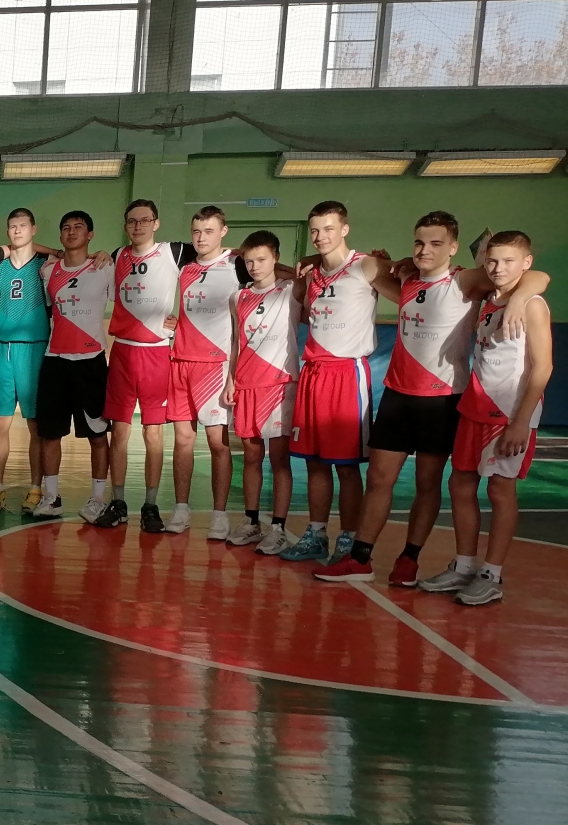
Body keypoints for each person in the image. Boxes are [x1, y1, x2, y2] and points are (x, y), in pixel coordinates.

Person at [331, 213, 549, 587]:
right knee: (379, 478)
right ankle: (360, 557)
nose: (425, 250)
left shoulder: (465, 281)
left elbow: (535, 276)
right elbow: (362, 265)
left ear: (453, 247)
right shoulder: (405, 279)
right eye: (419, 242)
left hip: (442, 399)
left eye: (436, 243)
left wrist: (520, 298)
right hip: (398, 396)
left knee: (428, 483)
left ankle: (409, 560)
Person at [429, 231, 551, 606]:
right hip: (475, 406)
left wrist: (521, 422)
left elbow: (543, 367)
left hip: (509, 413)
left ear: (526, 263)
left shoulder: (532, 305)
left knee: (500, 490)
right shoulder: (489, 300)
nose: (498, 268)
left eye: (508, 261)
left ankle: (491, 574)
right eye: (492, 261)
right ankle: (464, 565)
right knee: (460, 485)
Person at [279, 201, 387, 567]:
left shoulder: (366, 265)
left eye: (328, 228)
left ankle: (349, 538)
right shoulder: (311, 274)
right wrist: (306, 261)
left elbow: (408, 287)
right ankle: (316, 534)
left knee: (347, 466)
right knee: (314, 463)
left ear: (345, 229)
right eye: (315, 230)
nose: (320, 236)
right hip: (313, 373)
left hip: (346, 375)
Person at [92, 199, 197, 531]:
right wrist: (100, 254)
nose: (138, 226)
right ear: (125, 225)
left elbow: (218, 261)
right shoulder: (116, 256)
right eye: (132, 221)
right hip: (123, 353)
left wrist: (184, 323)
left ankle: (150, 505)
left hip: (157, 354)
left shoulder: (174, 252)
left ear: (156, 223)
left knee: (153, 433)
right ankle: (119, 502)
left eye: (144, 220)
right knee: (120, 432)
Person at [164, 206, 246, 537]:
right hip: (180, 362)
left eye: (209, 231)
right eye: (196, 231)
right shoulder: (183, 264)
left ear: (223, 231)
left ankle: (220, 514)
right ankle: (181, 509)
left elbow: (276, 267)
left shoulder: (237, 264)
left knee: (217, 443)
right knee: (182, 440)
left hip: (215, 366)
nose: (201, 238)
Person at [33, 211, 115, 522]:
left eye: (79, 227)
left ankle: (97, 499)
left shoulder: (104, 268)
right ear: (60, 236)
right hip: (55, 361)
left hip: (90, 362)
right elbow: (25, 246)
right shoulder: (48, 270)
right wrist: (54, 252)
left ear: (90, 235)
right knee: (50, 434)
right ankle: (51, 497)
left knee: (98, 435)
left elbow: (126, 304)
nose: (71, 232)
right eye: (66, 227)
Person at [223, 231, 300, 555]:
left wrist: (280, 270)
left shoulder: (291, 290)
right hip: (246, 385)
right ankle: (252, 521)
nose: (254, 266)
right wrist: (231, 380)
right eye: (249, 261)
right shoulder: (237, 297)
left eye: (262, 259)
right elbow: (236, 342)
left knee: (279, 459)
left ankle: (278, 528)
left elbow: (304, 275)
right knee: (251, 457)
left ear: (276, 258)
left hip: (279, 384)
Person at [0, 208, 50, 513]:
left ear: (34, 229)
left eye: (23, 225)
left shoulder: (47, 266)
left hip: (34, 350)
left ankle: (35, 488)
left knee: (36, 425)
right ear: (7, 232)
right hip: (2, 350)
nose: (17, 230)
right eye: (12, 226)